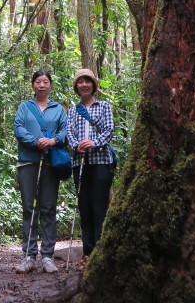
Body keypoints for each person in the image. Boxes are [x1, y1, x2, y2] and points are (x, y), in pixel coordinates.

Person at [13, 70, 67, 274]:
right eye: (38, 82)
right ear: (33, 85)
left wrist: (53, 141)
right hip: (28, 162)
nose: (42, 85)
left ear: (50, 85)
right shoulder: (24, 107)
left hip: (50, 164)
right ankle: (29, 255)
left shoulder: (58, 109)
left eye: (45, 82)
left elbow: (65, 130)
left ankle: (47, 256)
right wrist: (35, 142)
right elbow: (18, 128)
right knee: (29, 208)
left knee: (48, 207)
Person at [66, 68, 115, 257]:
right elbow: (69, 133)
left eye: (87, 81)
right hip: (80, 163)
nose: (84, 85)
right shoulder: (73, 111)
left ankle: (99, 251)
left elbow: (109, 130)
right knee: (84, 206)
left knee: (99, 206)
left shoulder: (104, 107)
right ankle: (87, 251)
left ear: (93, 85)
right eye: (80, 82)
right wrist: (76, 144)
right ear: (77, 86)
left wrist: (94, 143)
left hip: (101, 162)